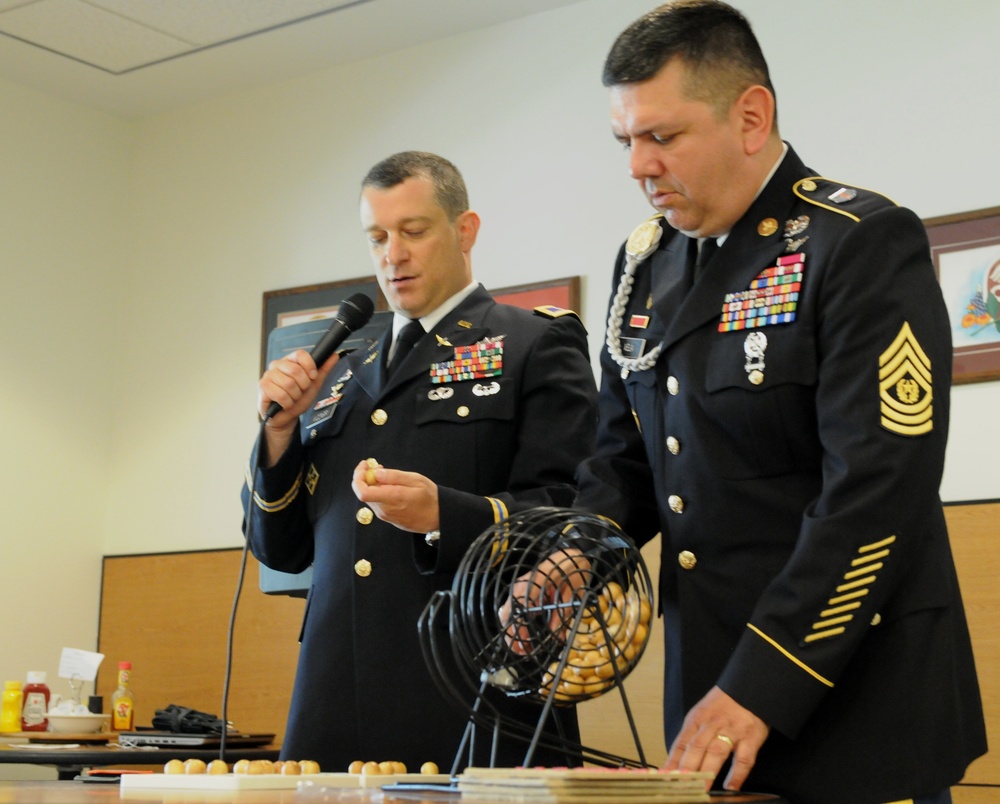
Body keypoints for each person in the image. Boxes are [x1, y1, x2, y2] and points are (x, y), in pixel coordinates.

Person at [511, 3, 987, 803]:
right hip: (711, 692)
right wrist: (574, 559)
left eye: (661, 137)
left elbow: (878, 492)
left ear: (751, 117)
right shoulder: (647, 267)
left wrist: (768, 677)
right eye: (625, 141)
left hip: (849, 689)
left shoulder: (856, 241)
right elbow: (622, 460)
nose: (637, 165)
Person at [242, 151, 598, 772]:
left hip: (469, 686)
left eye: (413, 231)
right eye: (377, 237)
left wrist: (447, 516)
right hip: (336, 696)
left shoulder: (533, 343)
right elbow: (282, 550)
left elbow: (572, 511)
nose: (392, 255)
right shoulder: (340, 374)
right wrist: (279, 435)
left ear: (465, 231)